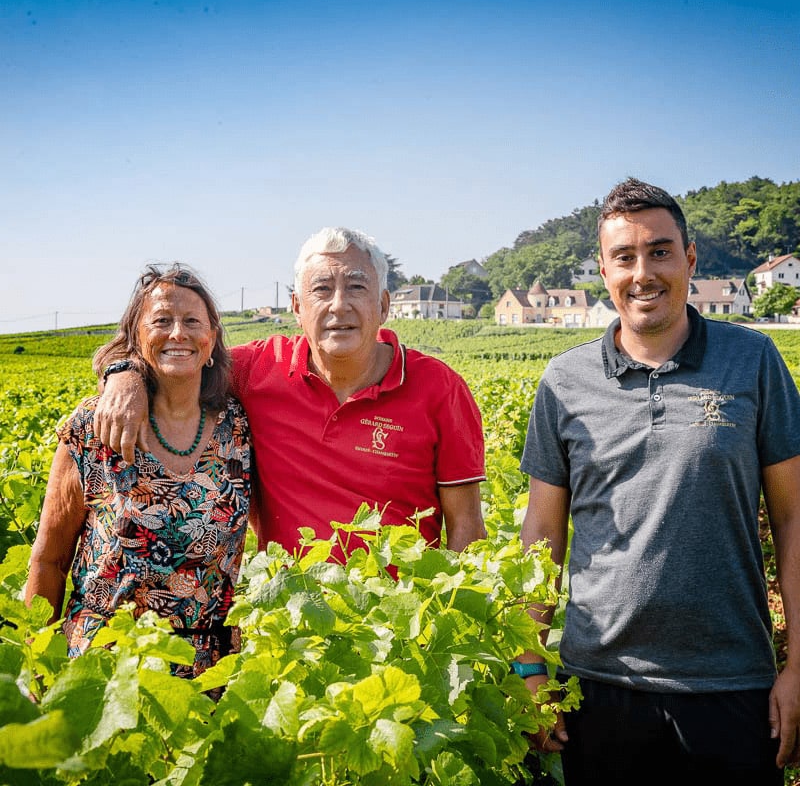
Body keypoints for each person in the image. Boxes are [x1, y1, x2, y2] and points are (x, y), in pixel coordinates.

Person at [516, 178, 800, 784]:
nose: (643, 272)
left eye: (660, 251)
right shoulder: (564, 382)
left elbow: (793, 519)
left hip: (733, 683)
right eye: (625, 257)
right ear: (603, 269)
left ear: (690, 259)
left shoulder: (752, 361)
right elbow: (542, 532)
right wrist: (528, 665)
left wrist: (798, 666)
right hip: (597, 686)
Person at [93, 228, 486, 559]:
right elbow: (177, 353)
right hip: (293, 623)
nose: (339, 304)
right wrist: (124, 374)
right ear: (297, 307)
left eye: (356, 287)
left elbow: (466, 523)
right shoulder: (255, 371)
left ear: (383, 305)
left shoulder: (440, 388)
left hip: (399, 628)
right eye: (322, 289)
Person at [25, 264, 252, 679]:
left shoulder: (237, 426)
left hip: (208, 672)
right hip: (105, 664)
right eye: (161, 321)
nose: (178, 333)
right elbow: (48, 561)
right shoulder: (92, 426)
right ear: (136, 338)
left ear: (212, 340)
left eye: (191, 322)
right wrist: (36, 669)